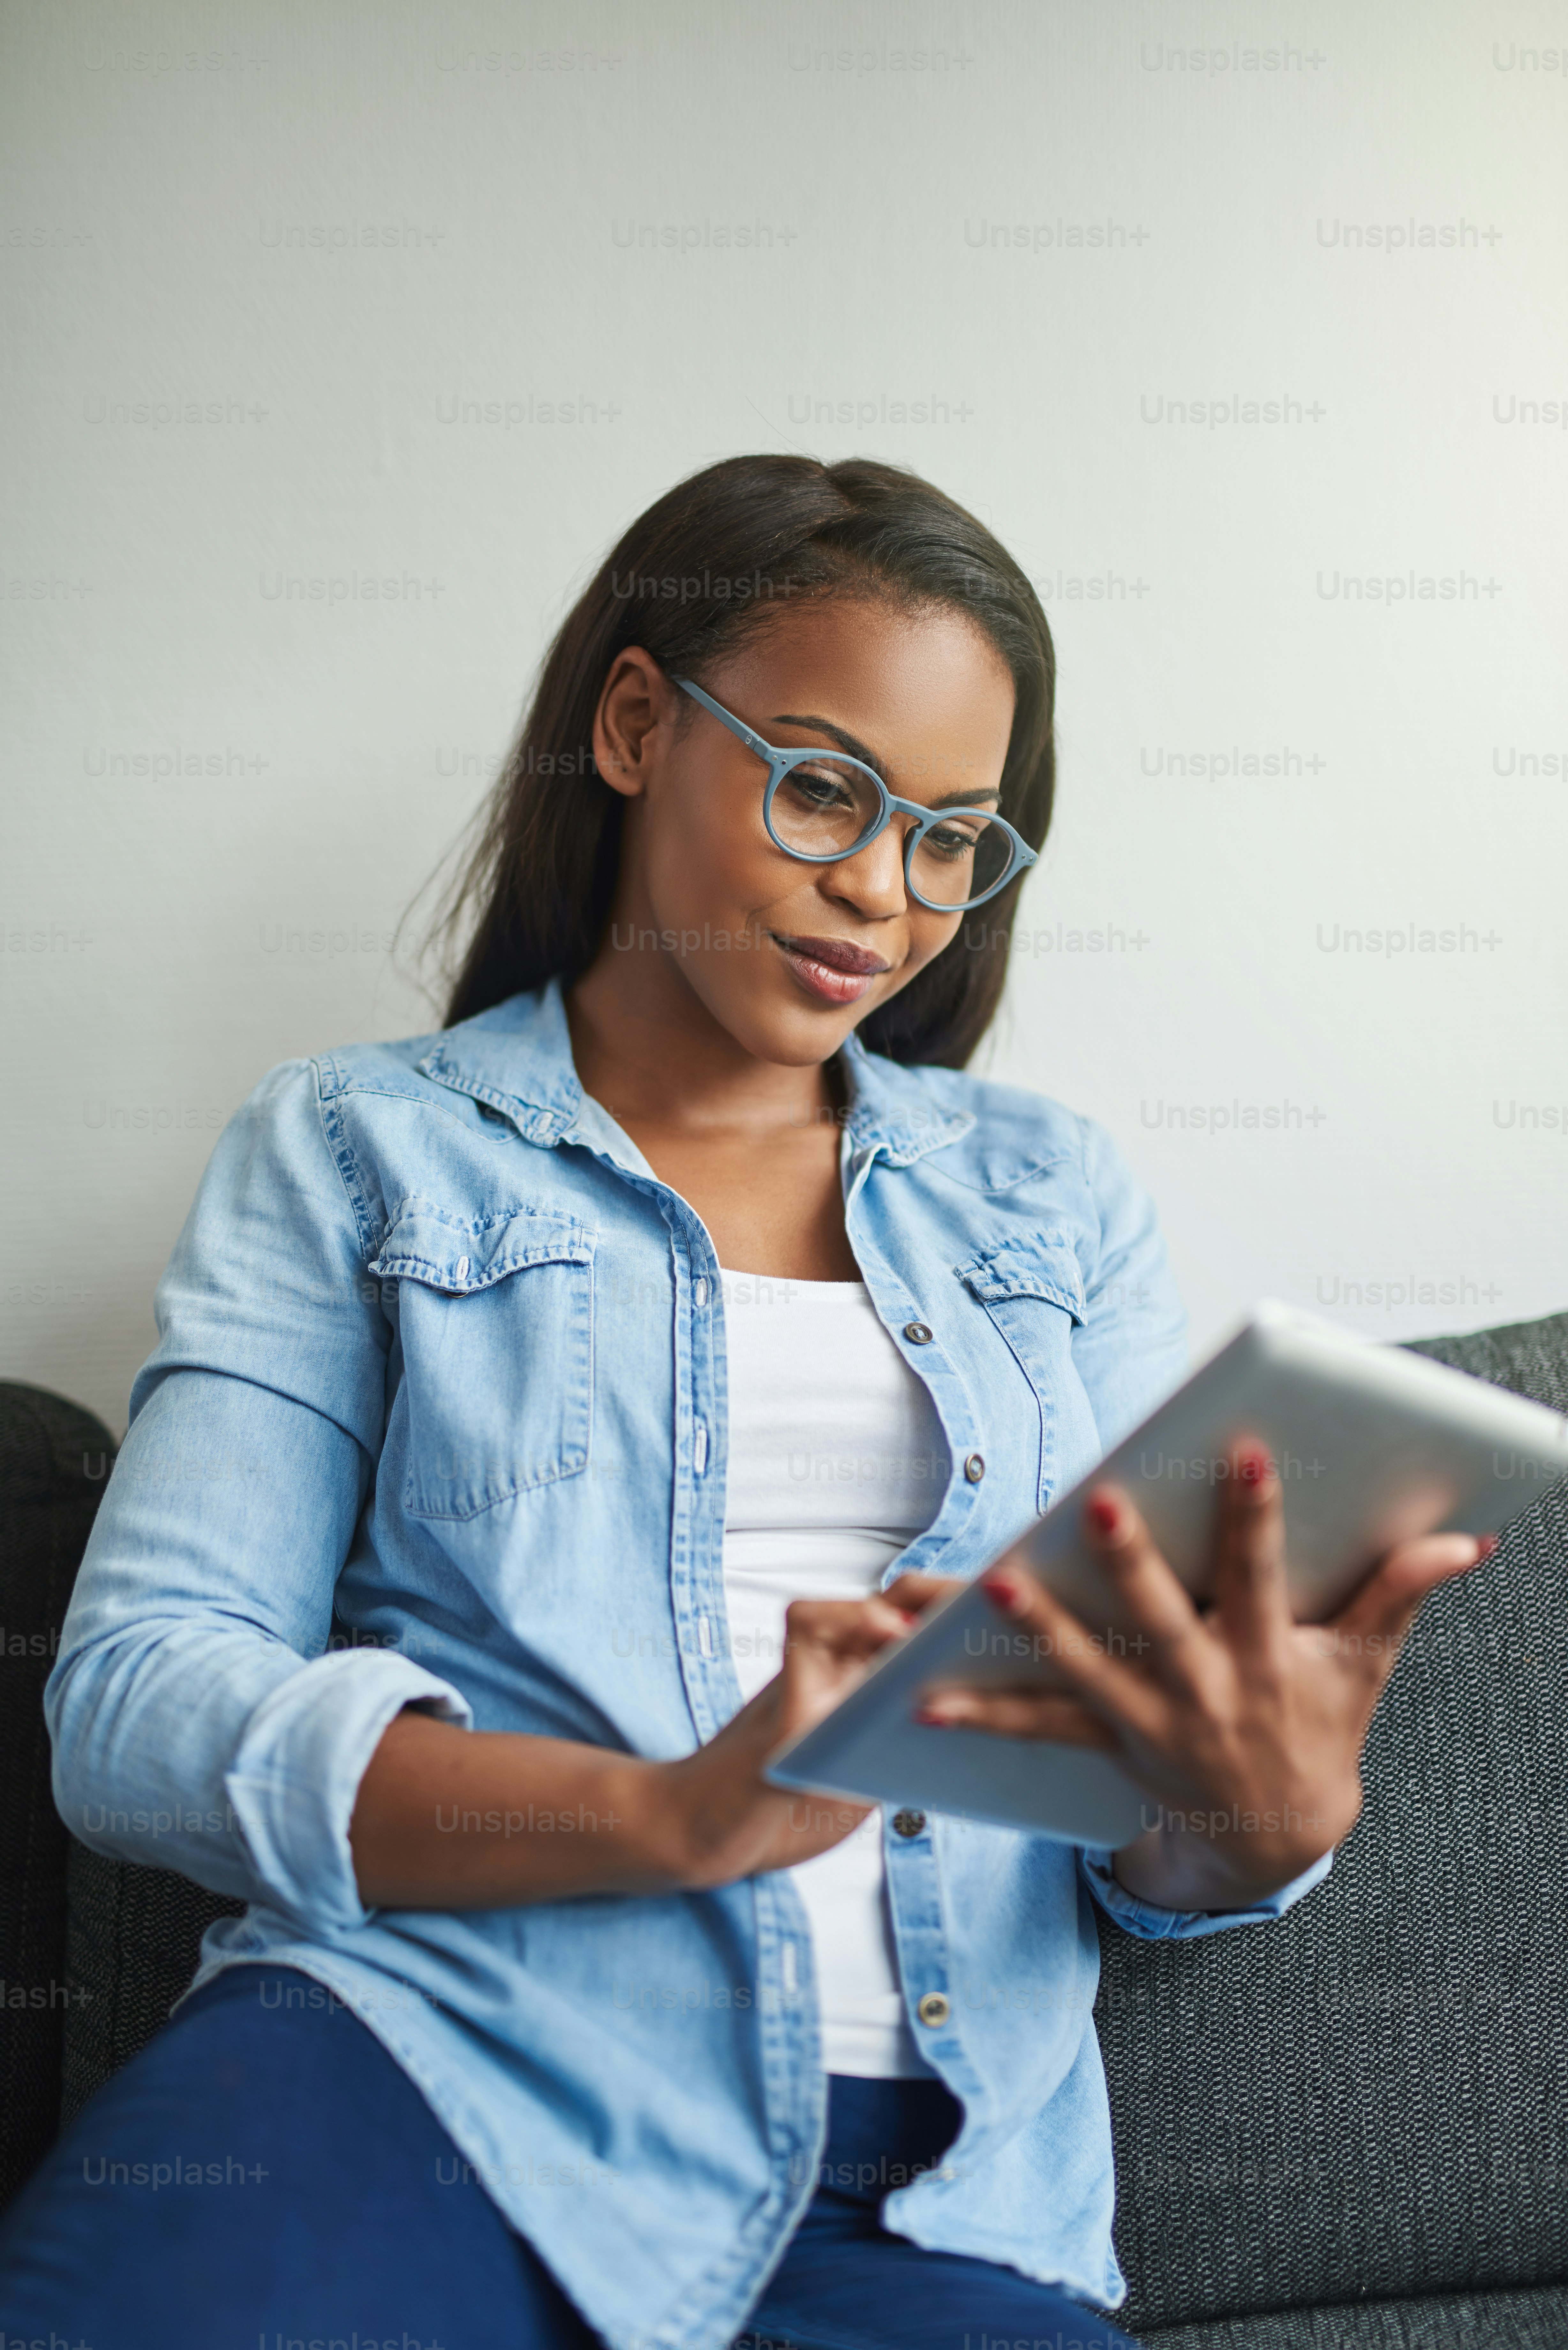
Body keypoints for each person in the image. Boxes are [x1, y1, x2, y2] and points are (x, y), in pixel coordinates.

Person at [0, 455, 1490, 2350]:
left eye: (952, 836)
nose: (882, 888)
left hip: (941, 2190)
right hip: (434, 2069)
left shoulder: (1053, 1202)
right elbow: (135, 1705)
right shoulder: (363, 1148)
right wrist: (667, 1811)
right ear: (635, 726)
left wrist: (1252, 1821)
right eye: (820, 786)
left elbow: (1139, 1833)